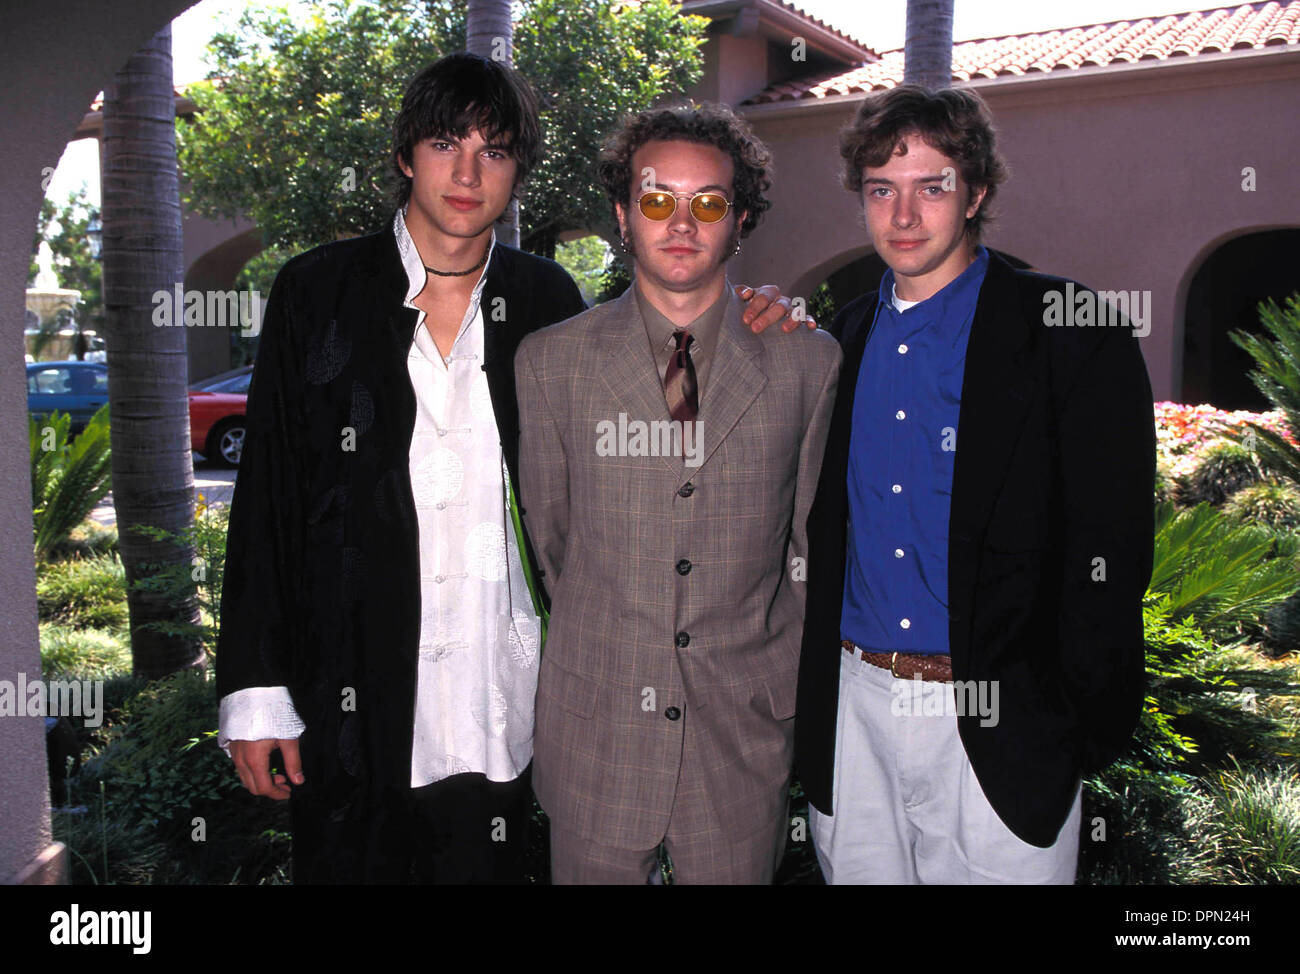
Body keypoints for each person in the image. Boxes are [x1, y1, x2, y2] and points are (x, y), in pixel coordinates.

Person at [215, 53, 805, 884]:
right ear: (403, 155)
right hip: (353, 700)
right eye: (445, 142)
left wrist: (759, 315)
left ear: (518, 171)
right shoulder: (318, 294)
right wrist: (254, 692)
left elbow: (639, 460)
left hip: (506, 707)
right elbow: (266, 499)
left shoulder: (546, 301)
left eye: (493, 151)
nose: (466, 171)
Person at [795, 84, 1155, 884]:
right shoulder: (835, 342)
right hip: (853, 709)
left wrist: (1068, 722)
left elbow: (1113, 547)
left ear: (977, 192)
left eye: (933, 186)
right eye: (881, 190)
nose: (904, 215)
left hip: (999, 721)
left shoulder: (1069, 329)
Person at [516, 103, 841, 884]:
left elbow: (807, 547)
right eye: (658, 200)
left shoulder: (810, 363)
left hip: (743, 740)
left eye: (709, 203)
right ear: (625, 217)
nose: (682, 223)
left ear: (741, 220)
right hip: (598, 736)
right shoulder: (549, 364)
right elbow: (552, 547)